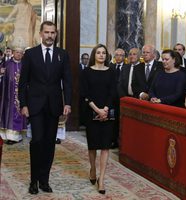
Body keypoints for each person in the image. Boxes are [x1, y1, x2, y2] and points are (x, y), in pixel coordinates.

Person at [18, 21, 72, 195]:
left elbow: (68, 82)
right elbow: (23, 83)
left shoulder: (62, 55)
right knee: (37, 141)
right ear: (41, 33)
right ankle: (33, 180)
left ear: (56, 34)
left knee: (49, 144)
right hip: (35, 105)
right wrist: (24, 104)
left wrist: (68, 103)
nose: (50, 35)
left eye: (53, 32)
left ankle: (44, 180)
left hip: (54, 105)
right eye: (47, 32)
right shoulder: (30, 54)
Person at [81, 44, 115, 194]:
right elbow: (85, 93)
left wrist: (105, 109)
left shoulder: (112, 72)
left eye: (104, 53)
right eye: (98, 53)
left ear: (106, 56)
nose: (101, 55)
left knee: (105, 146)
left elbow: (112, 92)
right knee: (93, 145)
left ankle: (101, 179)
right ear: (94, 55)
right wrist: (97, 110)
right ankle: (93, 169)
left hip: (107, 113)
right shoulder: (87, 72)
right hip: (91, 111)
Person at [0, 47, 26, 144]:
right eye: (17, 52)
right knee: (9, 112)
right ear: (13, 53)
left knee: (19, 112)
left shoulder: (25, 65)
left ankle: (16, 137)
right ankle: (9, 136)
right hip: (8, 95)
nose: (18, 54)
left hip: (21, 95)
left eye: (20, 53)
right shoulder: (7, 64)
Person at [109, 48, 127, 148]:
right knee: (112, 119)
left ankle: (121, 141)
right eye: (117, 55)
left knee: (121, 121)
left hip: (122, 98)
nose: (119, 57)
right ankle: (112, 140)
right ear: (114, 57)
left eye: (121, 55)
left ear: (124, 57)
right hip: (111, 98)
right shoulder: (110, 66)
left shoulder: (128, 67)